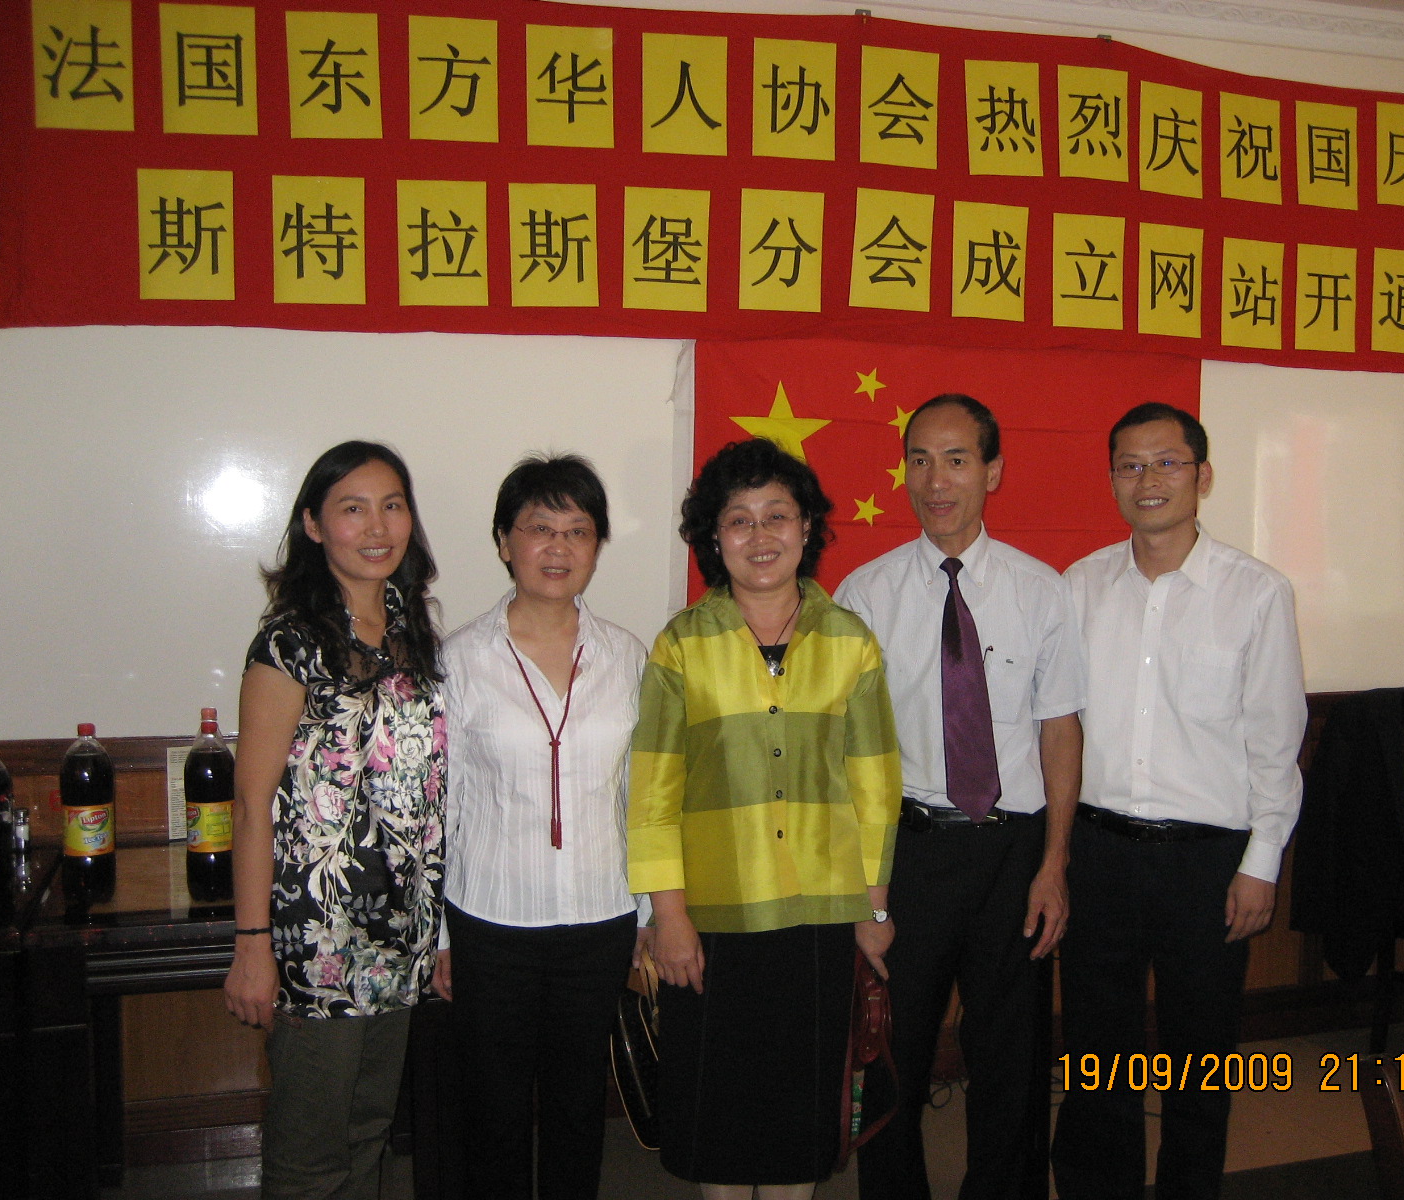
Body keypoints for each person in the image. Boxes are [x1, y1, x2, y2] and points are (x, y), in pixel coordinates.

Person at [629, 437, 902, 1200]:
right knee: (719, 1115)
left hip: (821, 915)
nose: (760, 535)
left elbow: (875, 787)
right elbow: (653, 793)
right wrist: (668, 916)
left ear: (807, 527)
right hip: (711, 918)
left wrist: (875, 908)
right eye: (739, 519)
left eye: (777, 515)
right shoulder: (682, 645)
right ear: (713, 537)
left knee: (799, 1116)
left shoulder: (851, 643)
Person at [835, 393, 1085, 1200]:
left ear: (993, 471)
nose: (935, 481)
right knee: (893, 1051)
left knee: (1012, 1053)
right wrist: (865, 890)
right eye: (919, 460)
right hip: (909, 851)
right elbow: (845, 753)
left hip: (1014, 851)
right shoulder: (865, 595)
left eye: (956, 459)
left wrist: (1054, 864)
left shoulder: (1041, 592)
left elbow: (1059, 731)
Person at [1052, 402, 1305, 1200]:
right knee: (1097, 1053)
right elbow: (1056, 727)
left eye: (1166, 462)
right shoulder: (1080, 586)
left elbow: (1276, 741)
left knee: (1201, 1055)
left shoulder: (1257, 593)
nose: (1148, 480)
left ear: (1203, 475)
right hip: (1097, 851)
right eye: (1130, 465)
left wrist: (1262, 862)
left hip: (1208, 863)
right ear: (1112, 480)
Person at [223, 440, 447, 1200]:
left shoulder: (412, 631)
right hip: (317, 937)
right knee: (311, 1153)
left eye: (393, 505)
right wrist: (252, 944)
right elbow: (251, 804)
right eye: (353, 509)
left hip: (400, 933)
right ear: (315, 526)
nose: (377, 527)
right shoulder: (289, 642)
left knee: (367, 1133)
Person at [434, 453, 649, 1200]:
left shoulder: (627, 656)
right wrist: (440, 935)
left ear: (597, 545)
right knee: (491, 1112)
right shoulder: (460, 659)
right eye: (538, 529)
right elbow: (443, 804)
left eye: (578, 531)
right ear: (504, 541)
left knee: (579, 1107)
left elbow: (639, 796)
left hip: (599, 918)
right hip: (491, 922)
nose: (558, 548)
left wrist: (647, 914)